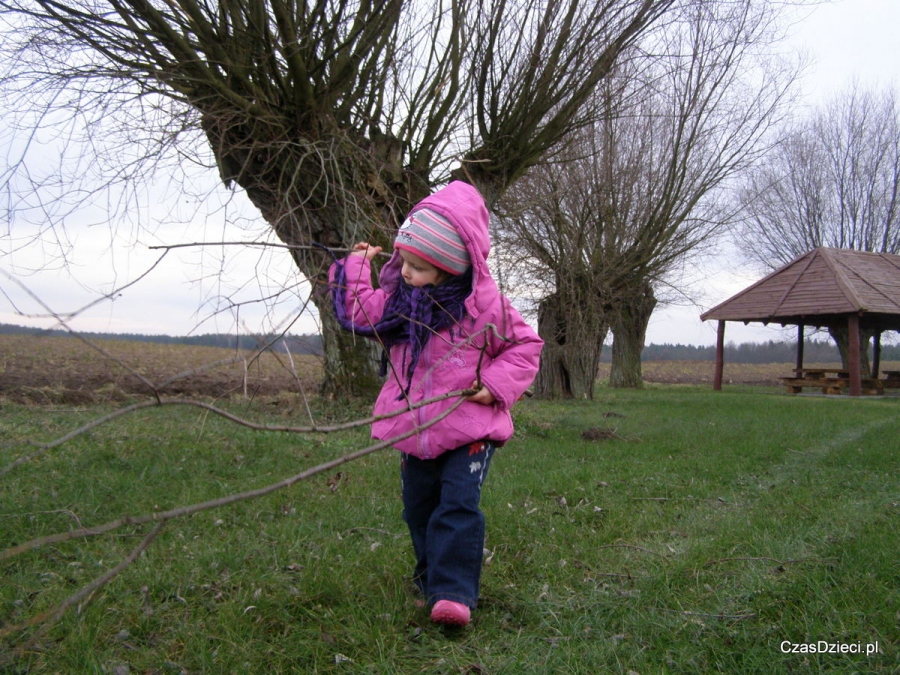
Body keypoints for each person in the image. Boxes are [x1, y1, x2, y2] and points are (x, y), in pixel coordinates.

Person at [328, 180, 543, 627]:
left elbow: (526, 347)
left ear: (451, 268)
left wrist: (494, 385)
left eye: (419, 268)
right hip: (414, 432)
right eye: (404, 261)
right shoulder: (400, 305)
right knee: (419, 508)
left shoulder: (488, 310)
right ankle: (429, 577)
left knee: (457, 505)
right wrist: (354, 265)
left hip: (469, 429)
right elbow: (357, 313)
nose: (406, 273)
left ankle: (453, 593)